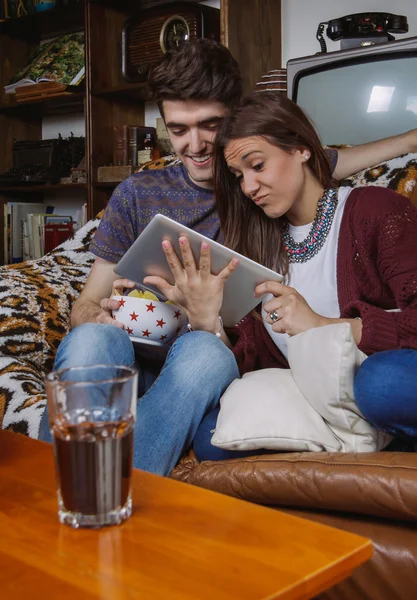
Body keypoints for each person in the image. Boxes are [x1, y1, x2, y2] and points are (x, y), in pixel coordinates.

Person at [38, 40, 417, 473]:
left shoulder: (257, 197)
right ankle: (61, 493)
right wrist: (102, 317)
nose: (195, 145)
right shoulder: (139, 194)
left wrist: (409, 137)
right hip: (139, 352)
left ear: (235, 118)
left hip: (203, 355)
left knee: (204, 352)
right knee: (92, 338)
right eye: (177, 129)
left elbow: (321, 161)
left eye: (209, 126)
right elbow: (86, 302)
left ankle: (114, 492)